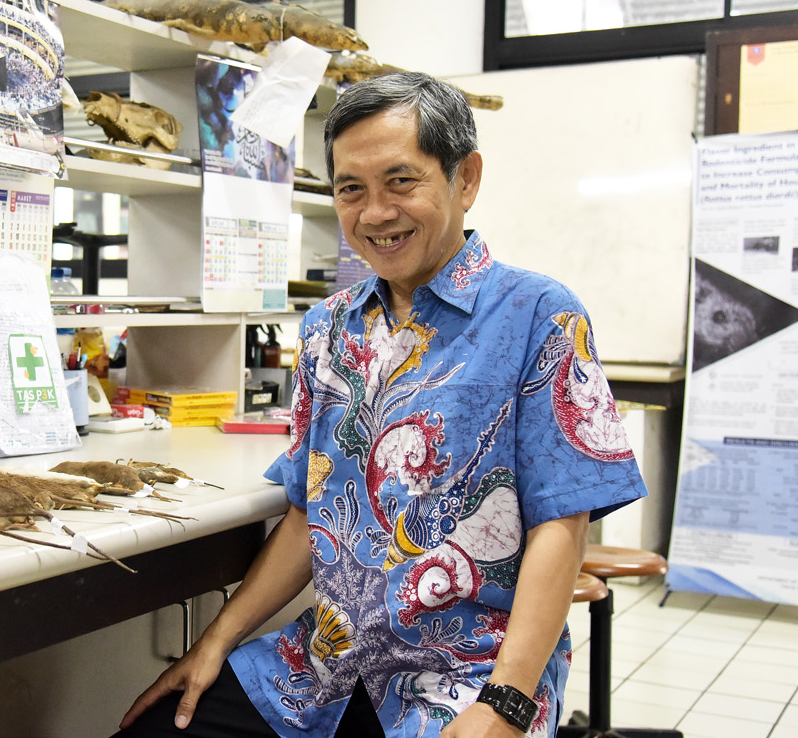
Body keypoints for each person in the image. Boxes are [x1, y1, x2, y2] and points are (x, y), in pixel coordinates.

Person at [115, 72, 647, 738]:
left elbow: (561, 527)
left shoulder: (539, 316)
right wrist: (215, 641)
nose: (374, 214)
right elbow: (313, 515)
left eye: (402, 182)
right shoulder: (326, 331)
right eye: (350, 189)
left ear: (466, 178)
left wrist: (505, 704)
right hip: (323, 668)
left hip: (470, 674)